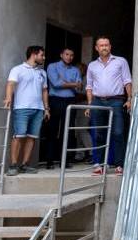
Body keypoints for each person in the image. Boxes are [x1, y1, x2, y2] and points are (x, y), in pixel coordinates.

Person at [85, 36, 132, 174]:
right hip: (97, 101)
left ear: (110, 47)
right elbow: (89, 86)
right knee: (98, 132)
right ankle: (98, 164)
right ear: (96, 48)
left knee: (118, 132)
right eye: (101, 45)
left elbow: (127, 81)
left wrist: (129, 99)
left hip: (116, 101)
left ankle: (119, 164)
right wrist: (89, 104)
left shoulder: (120, 61)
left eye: (106, 45)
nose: (104, 47)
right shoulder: (92, 65)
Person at [4, 46, 50, 175]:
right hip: (22, 108)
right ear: (34, 55)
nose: (43, 57)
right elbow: (10, 84)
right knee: (19, 136)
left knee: (31, 137)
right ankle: (13, 165)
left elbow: (44, 90)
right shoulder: (17, 69)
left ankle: (25, 165)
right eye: (42, 55)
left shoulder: (42, 72)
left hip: (39, 109)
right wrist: (8, 98)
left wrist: (46, 108)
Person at [43, 47, 83, 168]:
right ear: (61, 55)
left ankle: (64, 161)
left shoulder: (76, 70)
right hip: (55, 101)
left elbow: (79, 87)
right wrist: (73, 83)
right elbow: (56, 84)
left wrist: (65, 82)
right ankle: (49, 161)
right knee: (52, 131)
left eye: (71, 55)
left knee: (68, 131)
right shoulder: (52, 66)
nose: (69, 57)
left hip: (70, 101)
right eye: (66, 54)